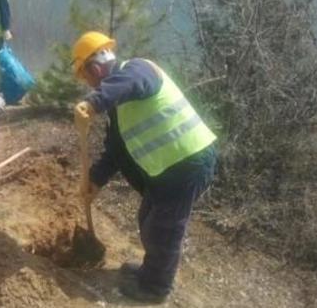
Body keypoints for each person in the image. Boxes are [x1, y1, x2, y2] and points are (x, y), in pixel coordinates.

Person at [72, 31, 217, 303]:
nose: (88, 84)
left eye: (85, 76)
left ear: (95, 68)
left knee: (164, 228)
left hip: (188, 161)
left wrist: (93, 103)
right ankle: (151, 270)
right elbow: (115, 150)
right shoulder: (119, 103)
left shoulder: (138, 69)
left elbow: (128, 83)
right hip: (168, 168)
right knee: (148, 218)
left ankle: (155, 288)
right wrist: (94, 180)